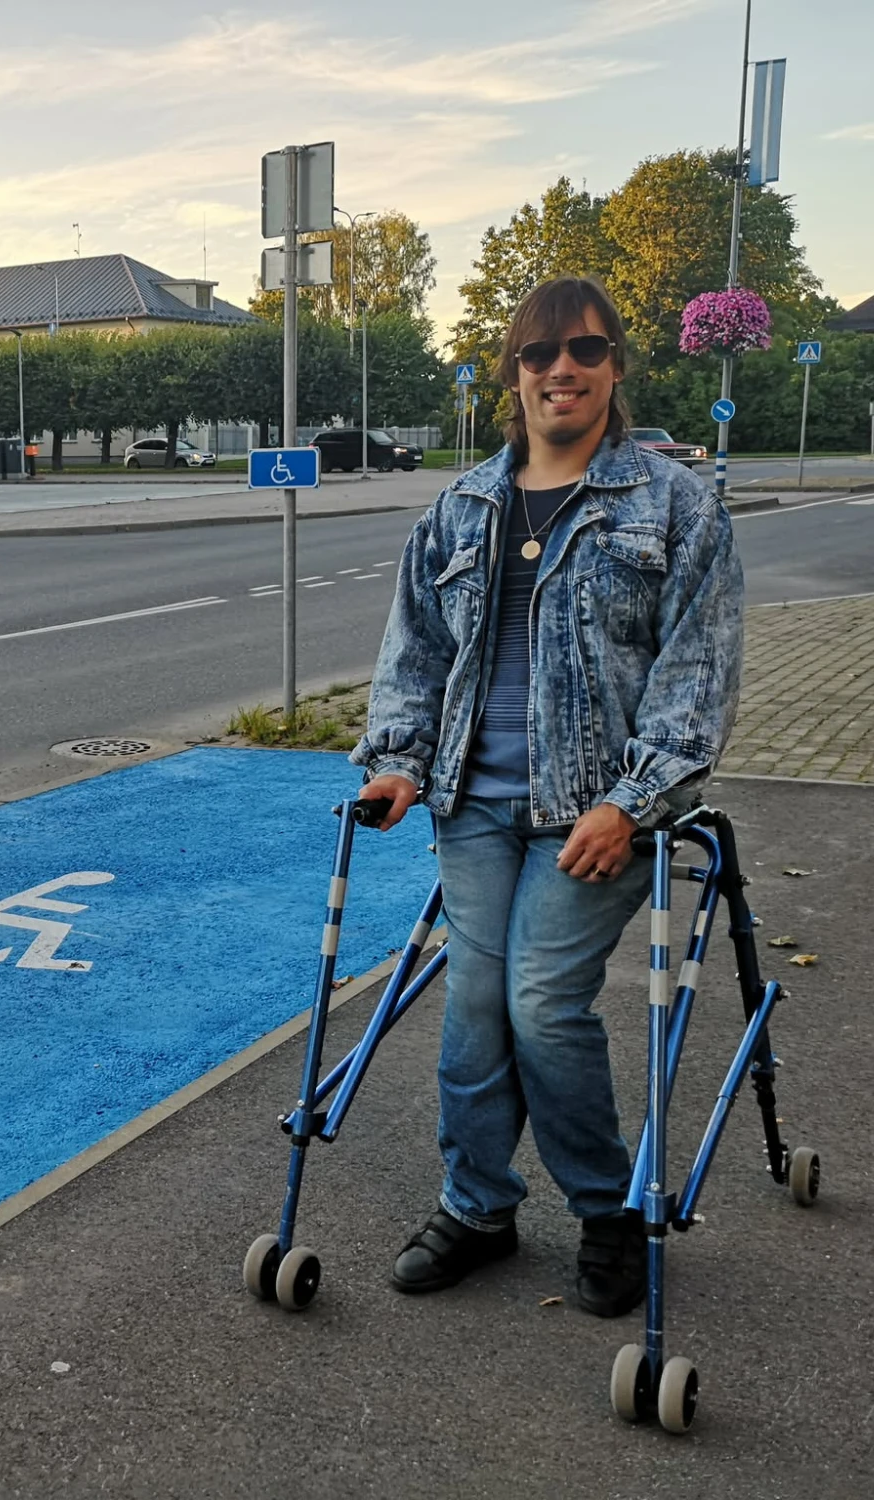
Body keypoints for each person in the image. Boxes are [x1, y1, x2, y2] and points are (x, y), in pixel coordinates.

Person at [349, 275, 744, 1317]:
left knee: (539, 1003)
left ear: (614, 366)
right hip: (473, 805)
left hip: (594, 813)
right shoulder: (461, 507)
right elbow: (415, 653)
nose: (560, 369)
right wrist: (399, 758)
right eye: (538, 353)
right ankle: (478, 1206)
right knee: (473, 1009)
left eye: (584, 350)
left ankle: (605, 1211)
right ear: (512, 374)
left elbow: (695, 676)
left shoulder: (674, 505)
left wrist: (634, 801)